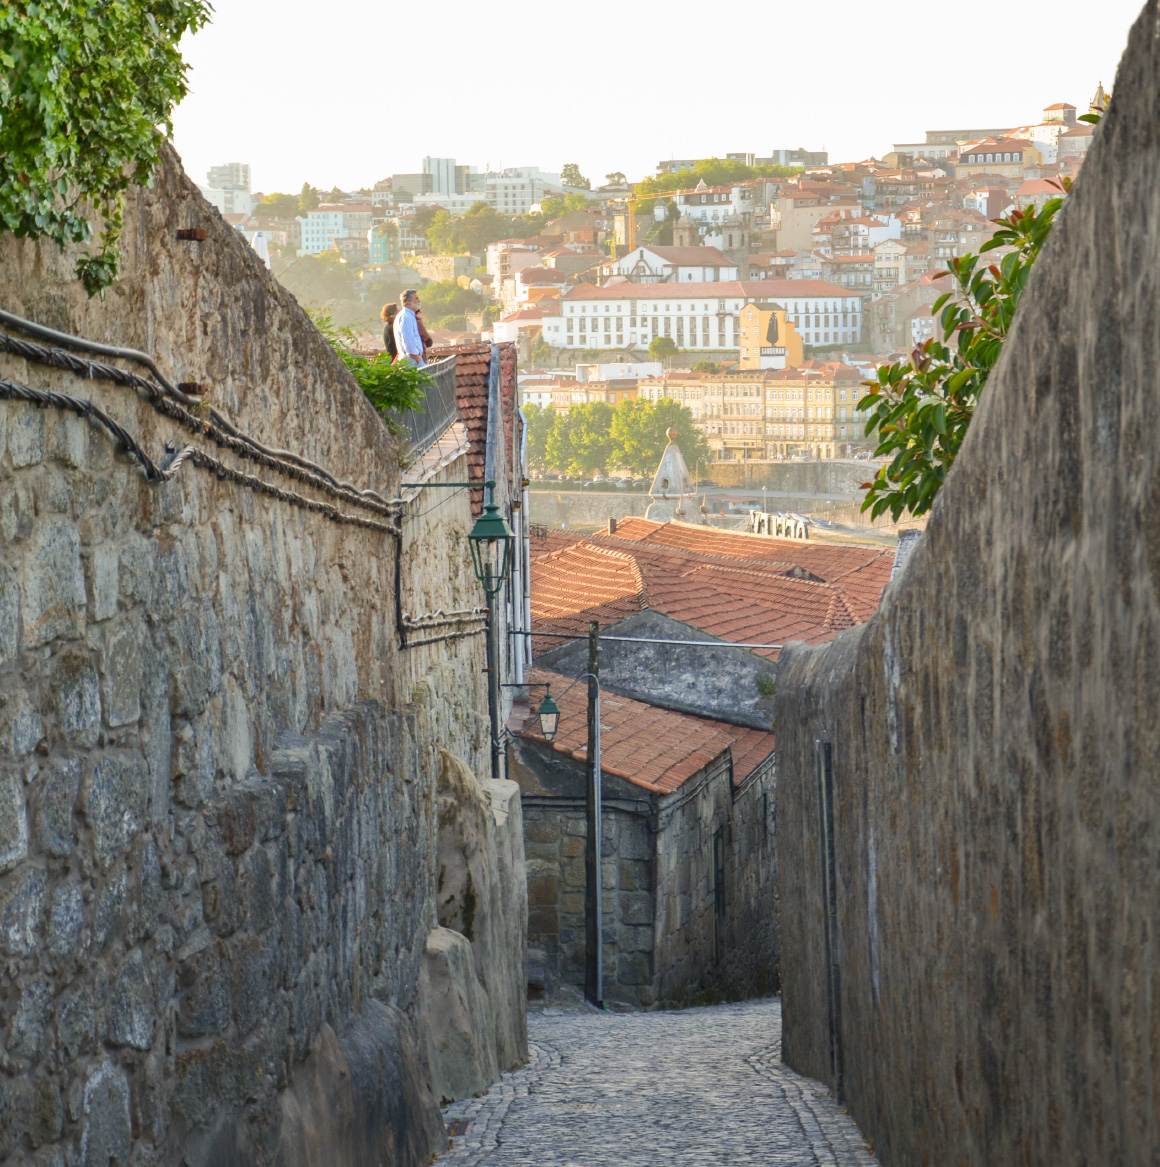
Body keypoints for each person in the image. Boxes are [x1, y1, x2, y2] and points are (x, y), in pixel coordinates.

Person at [393, 289, 426, 366]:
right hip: (411, 359)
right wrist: (417, 359)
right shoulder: (406, 317)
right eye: (416, 298)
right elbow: (408, 342)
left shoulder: (409, 316)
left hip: (412, 358)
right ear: (408, 301)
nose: (419, 300)